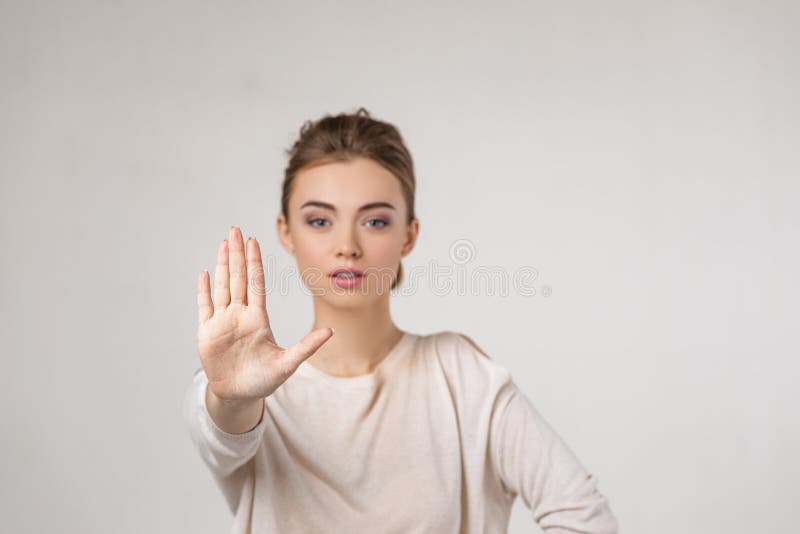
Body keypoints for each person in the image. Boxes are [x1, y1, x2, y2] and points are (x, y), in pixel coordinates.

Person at [183, 108, 619, 533]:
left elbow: (584, 518)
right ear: (286, 232)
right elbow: (225, 431)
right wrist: (234, 398)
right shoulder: (249, 389)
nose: (347, 246)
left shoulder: (461, 376)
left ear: (408, 235)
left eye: (374, 221)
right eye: (319, 220)